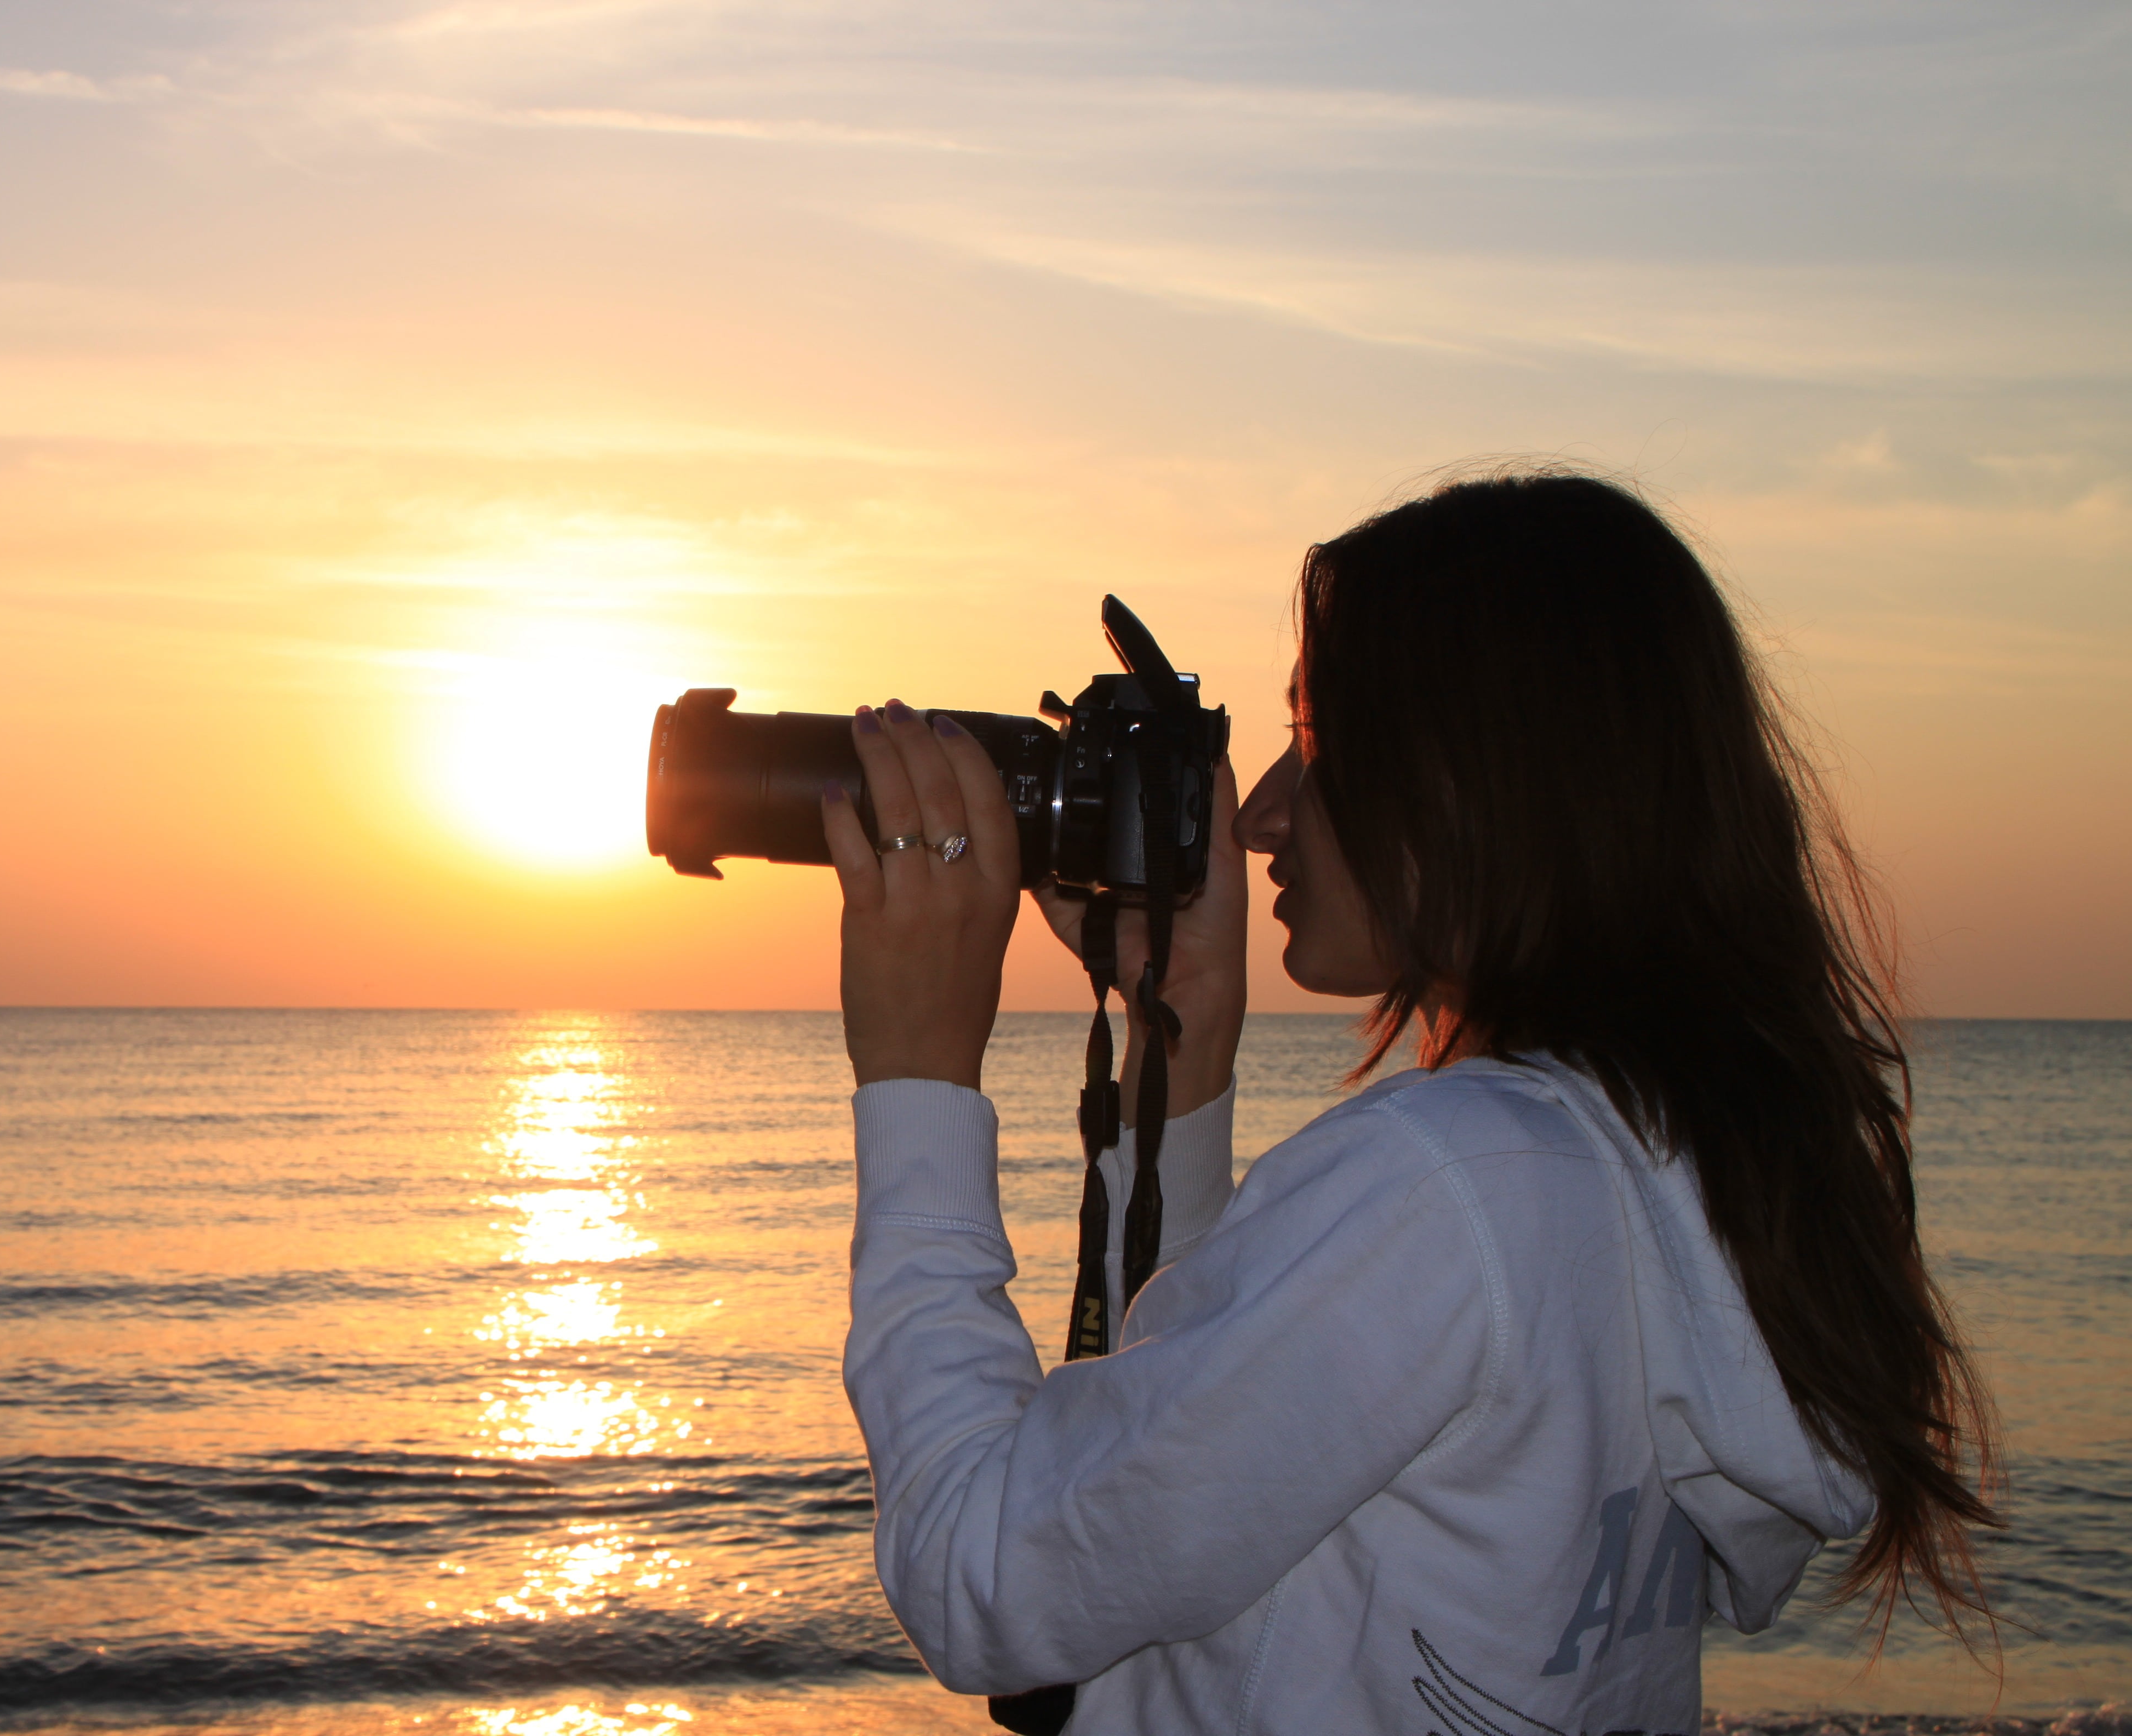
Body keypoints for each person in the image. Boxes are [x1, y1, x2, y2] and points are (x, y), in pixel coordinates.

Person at [818, 469, 1999, 1735]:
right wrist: (1185, 1049)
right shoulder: (1659, 1178)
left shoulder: (1454, 1187)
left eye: (1318, 745)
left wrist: (920, 1076)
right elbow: (1197, 1473)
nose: (1263, 815)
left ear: (1473, 783)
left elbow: (979, 1578)